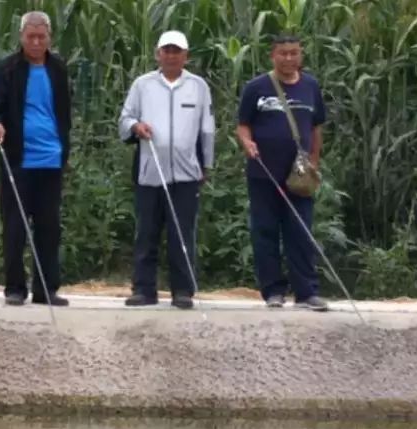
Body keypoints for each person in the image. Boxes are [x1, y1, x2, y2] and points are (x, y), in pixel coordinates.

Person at [118, 30, 215, 310]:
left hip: (186, 174)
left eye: (177, 51)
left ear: (186, 55)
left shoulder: (198, 86)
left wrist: (206, 164)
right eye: (166, 50)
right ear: (157, 54)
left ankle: (182, 290)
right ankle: (144, 289)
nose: (171, 56)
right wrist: (135, 127)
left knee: (182, 233)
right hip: (149, 172)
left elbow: (207, 128)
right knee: (146, 232)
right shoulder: (142, 85)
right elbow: (125, 119)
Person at [0, 11, 71, 307]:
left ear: (49, 38)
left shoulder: (58, 68)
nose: (36, 42)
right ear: (21, 37)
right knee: (15, 226)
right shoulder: (7, 69)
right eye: (30, 37)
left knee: (48, 228)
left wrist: (64, 146)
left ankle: (46, 289)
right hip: (18, 160)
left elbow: (64, 113)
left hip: (51, 159)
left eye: (41, 37)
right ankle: (15, 288)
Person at [236, 34, 329, 311]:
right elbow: (243, 125)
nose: (289, 59)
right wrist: (247, 143)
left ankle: (306, 292)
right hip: (263, 172)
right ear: (272, 56)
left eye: (294, 53)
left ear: (301, 55)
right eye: (283, 54)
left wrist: (314, 161)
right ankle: (273, 291)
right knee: (265, 232)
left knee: (300, 230)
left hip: (297, 174)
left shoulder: (310, 86)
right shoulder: (257, 87)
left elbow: (316, 128)